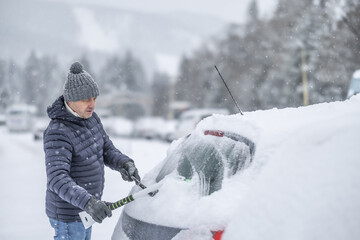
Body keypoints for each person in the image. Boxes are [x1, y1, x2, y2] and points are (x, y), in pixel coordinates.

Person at [43, 61, 141, 240]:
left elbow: (106, 149)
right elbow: (57, 178)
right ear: (70, 100)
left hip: (86, 211)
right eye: (86, 99)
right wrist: (88, 202)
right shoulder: (58, 131)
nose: (92, 104)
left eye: (94, 98)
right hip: (69, 215)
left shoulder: (90, 119)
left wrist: (124, 163)